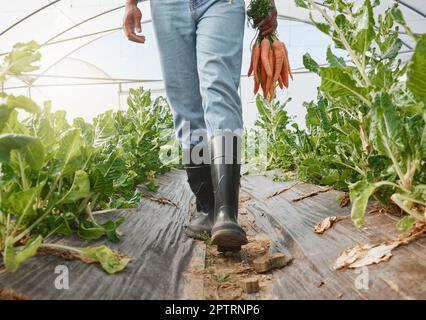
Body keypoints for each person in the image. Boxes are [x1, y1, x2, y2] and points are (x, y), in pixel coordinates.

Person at [123, 0, 277, 252]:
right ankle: (207, 209)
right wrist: (130, 3)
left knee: (218, 87)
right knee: (185, 103)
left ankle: (227, 213)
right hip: (167, 6)